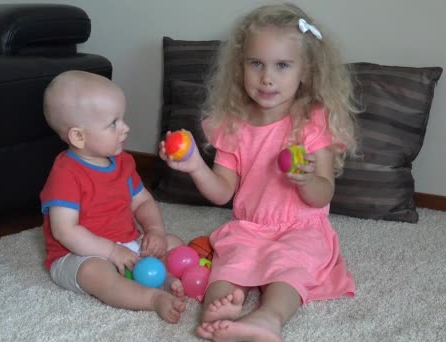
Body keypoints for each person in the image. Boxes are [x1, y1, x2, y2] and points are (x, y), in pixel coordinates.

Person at [159, 3, 358, 341]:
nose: (267, 77)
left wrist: (308, 180)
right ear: (240, 68)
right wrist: (194, 166)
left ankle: (268, 317)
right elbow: (223, 191)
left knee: (289, 267)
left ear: (305, 71)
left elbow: (324, 192)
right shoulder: (233, 124)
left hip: (301, 226)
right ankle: (219, 308)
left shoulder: (311, 121)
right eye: (256, 64)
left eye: (282, 65)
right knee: (229, 261)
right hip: (251, 226)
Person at [41, 70, 186, 323]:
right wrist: (110, 252)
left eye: (122, 119)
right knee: (95, 273)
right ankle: (151, 298)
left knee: (172, 242)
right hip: (79, 254)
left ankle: (163, 278)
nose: (125, 128)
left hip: (126, 244)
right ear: (78, 136)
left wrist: (155, 231)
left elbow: (142, 200)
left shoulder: (123, 162)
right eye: (113, 123)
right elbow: (66, 231)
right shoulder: (65, 174)